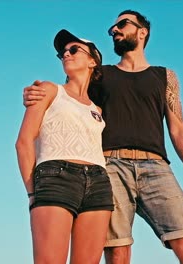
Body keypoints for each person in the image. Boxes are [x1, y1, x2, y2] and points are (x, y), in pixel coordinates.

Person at [24, 10, 183, 264]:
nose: (115, 31)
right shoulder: (102, 75)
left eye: (122, 24)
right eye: (112, 29)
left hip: (156, 166)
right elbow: (70, 94)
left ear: (142, 32)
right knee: (118, 250)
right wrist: (36, 94)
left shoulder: (165, 77)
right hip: (109, 166)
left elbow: (178, 127)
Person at [15, 29, 113, 264]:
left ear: (93, 61)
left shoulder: (97, 110)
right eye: (62, 53)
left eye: (73, 49)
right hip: (55, 177)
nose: (66, 54)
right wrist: (32, 193)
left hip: (99, 183)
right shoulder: (49, 90)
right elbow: (23, 142)